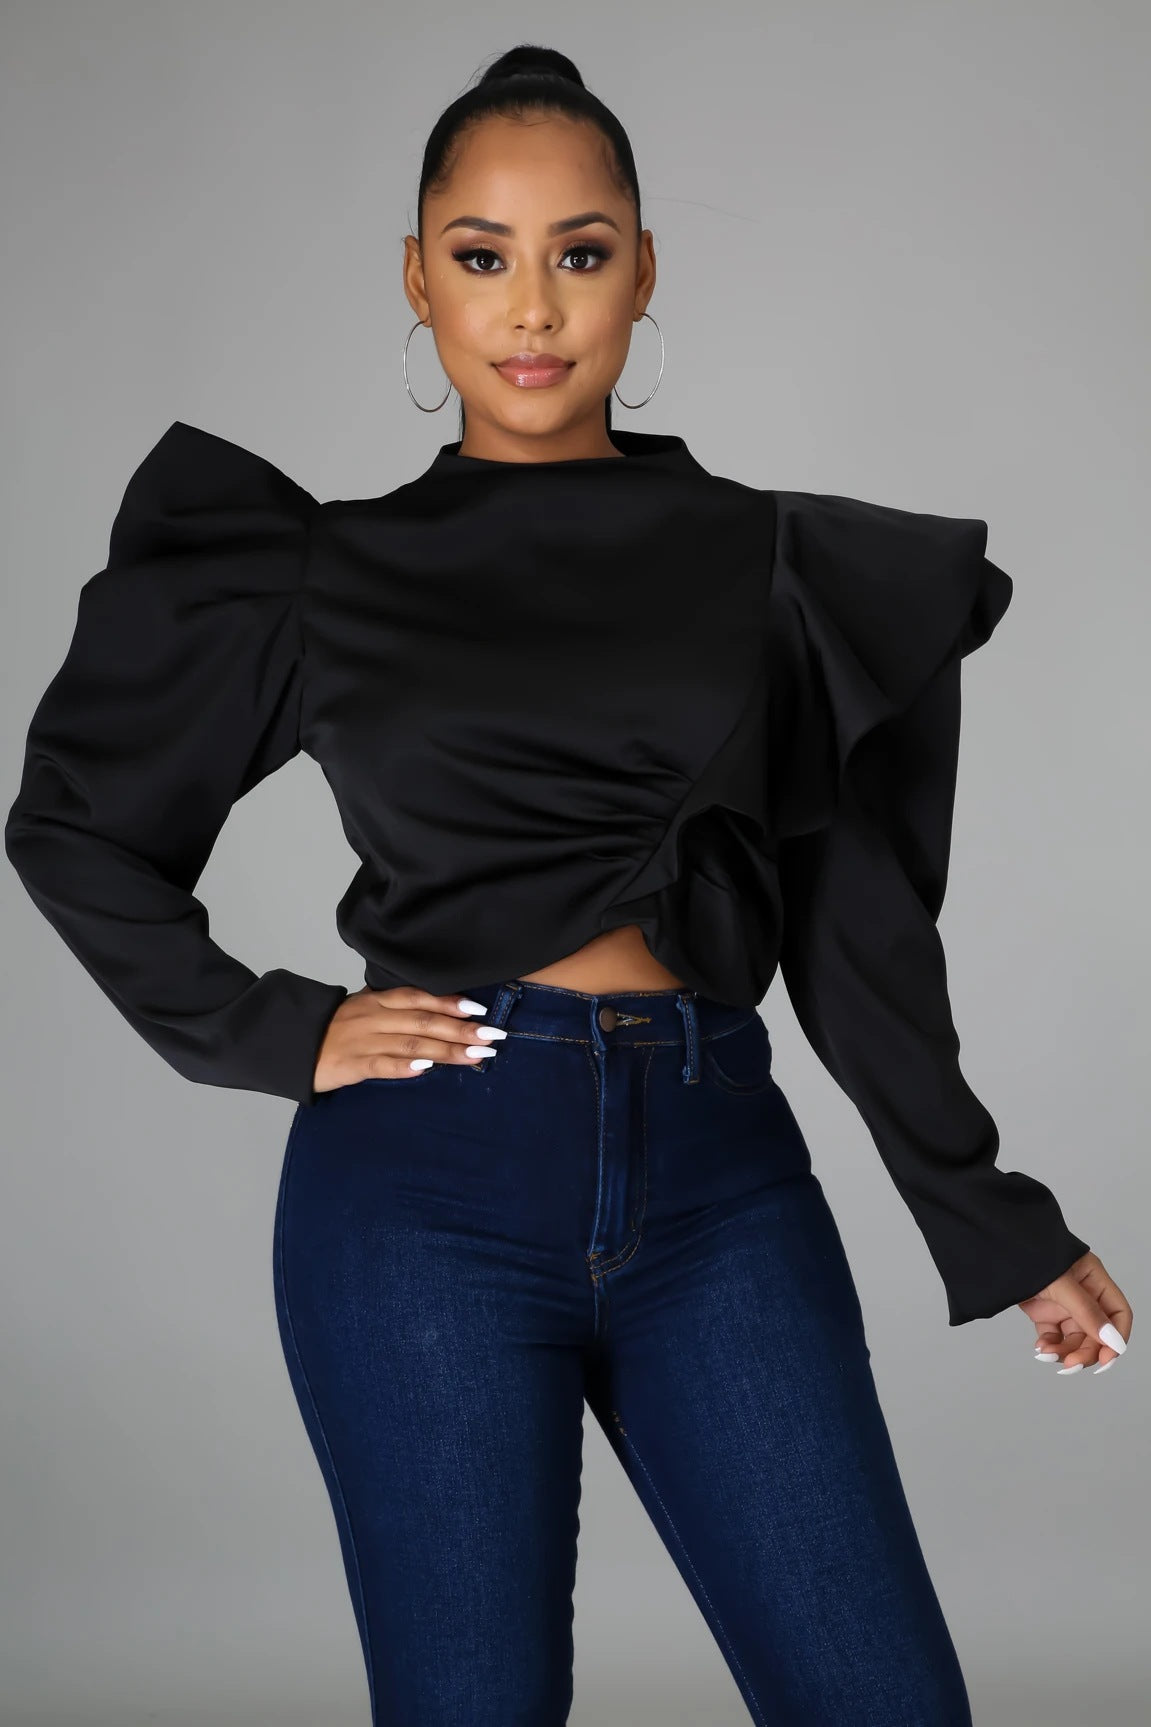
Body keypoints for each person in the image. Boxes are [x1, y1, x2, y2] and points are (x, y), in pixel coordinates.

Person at [4, 40, 1132, 1727]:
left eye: (580, 253)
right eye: (483, 256)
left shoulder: (773, 566)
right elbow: (78, 822)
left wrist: (995, 1218)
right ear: (418, 278)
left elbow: (856, 937)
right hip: (423, 1196)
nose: (532, 308)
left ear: (644, 269)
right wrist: (278, 1031)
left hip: (722, 1180)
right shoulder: (322, 570)